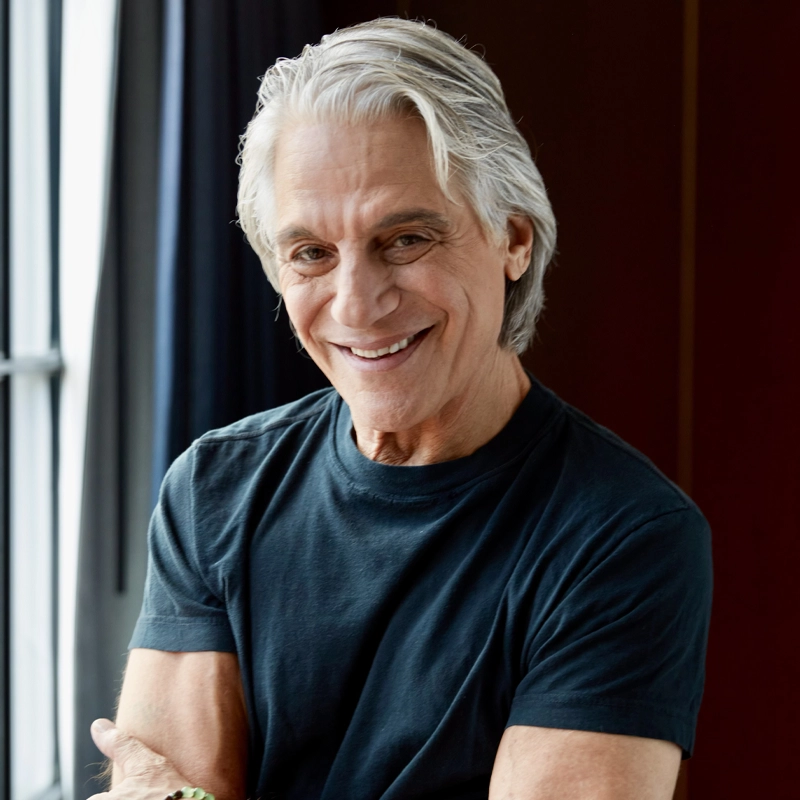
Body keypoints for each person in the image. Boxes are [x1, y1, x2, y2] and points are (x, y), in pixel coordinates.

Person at [90, 17, 712, 800]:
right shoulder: (213, 489)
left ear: (513, 239)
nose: (356, 303)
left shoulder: (624, 538)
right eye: (311, 253)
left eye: (406, 239)